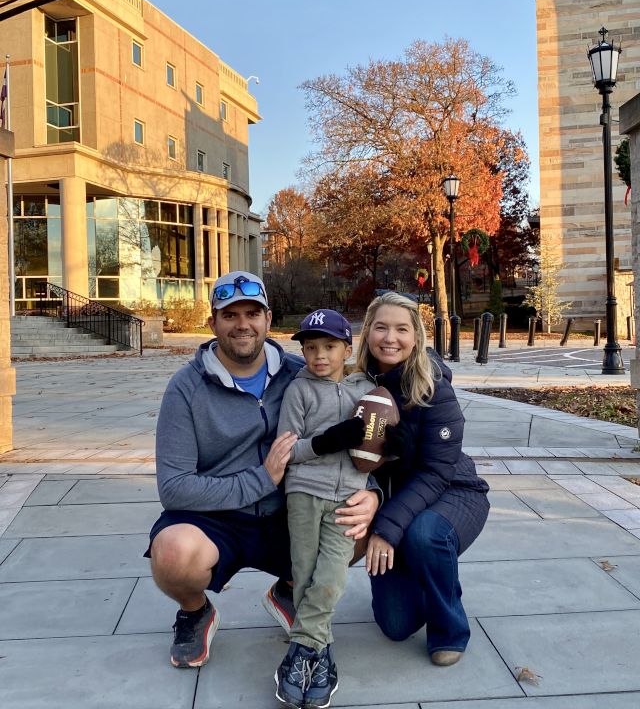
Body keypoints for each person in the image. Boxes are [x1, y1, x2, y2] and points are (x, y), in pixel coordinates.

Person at [145, 271, 379, 670]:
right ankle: (195, 611)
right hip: (216, 518)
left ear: (268, 319)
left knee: (358, 524)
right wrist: (261, 479)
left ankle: (289, 590)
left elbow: (350, 436)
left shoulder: (302, 373)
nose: (242, 324)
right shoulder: (186, 387)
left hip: (289, 512)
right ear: (213, 322)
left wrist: (372, 490)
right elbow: (175, 489)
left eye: (252, 313)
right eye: (230, 315)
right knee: (172, 552)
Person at [356, 292, 490, 666]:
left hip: (452, 493)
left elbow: (435, 472)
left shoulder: (433, 387)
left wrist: (386, 529)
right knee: (396, 626)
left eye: (401, 329)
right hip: (397, 500)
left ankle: (450, 629)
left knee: (424, 535)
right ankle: (423, 573)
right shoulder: (357, 385)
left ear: (416, 336)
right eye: (381, 327)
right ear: (367, 332)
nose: (390, 338)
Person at [274, 309, 373, 709]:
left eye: (329, 346)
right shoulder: (298, 391)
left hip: (348, 497)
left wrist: (388, 444)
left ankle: (300, 652)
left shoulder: (365, 390)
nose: (319, 356)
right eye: (310, 348)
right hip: (303, 494)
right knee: (305, 573)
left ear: (347, 349)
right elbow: (286, 452)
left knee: (330, 578)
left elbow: (379, 442)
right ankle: (320, 653)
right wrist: (327, 440)